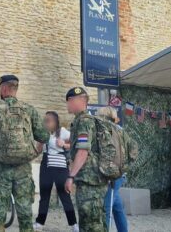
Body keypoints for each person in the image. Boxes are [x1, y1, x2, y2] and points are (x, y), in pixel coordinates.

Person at [0, 74, 49, 232]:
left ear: (3, 89)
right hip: (23, 169)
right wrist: (33, 153)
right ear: (16, 89)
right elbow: (44, 136)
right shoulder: (29, 109)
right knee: (25, 214)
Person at [64, 87, 107, 232]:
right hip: (91, 180)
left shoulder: (84, 121)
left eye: (69, 101)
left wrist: (71, 176)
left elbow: (82, 151)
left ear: (77, 100)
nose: (67, 104)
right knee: (95, 221)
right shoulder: (81, 121)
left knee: (91, 222)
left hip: (90, 181)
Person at [34, 111, 78, 232]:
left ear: (55, 122)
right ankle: (39, 223)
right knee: (44, 196)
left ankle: (74, 224)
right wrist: (39, 142)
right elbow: (38, 150)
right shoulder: (44, 133)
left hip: (61, 168)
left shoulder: (62, 131)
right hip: (46, 167)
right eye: (45, 120)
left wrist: (64, 144)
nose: (46, 123)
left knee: (65, 196)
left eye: (48, 120)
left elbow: (75, 142)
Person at [98, 106, 134, 232]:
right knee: (117, 208)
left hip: (112, 176)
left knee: (106, 209)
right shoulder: (121, 130)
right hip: (119, 174)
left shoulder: (109, 131)